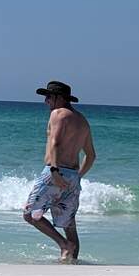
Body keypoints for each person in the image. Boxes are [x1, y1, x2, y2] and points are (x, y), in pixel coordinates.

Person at [23, 80, 96, 262]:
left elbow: (55, 142)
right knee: (69, 224)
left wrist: (55, 172)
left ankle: (64, 245)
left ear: (59, 98)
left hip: (54, 173)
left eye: (48, 97)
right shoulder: (83, 121)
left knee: (30, 214)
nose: (46, 101)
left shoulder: (58, 113)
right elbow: (91, 155)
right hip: (72, 176)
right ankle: (72, 262)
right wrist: (78, 176)